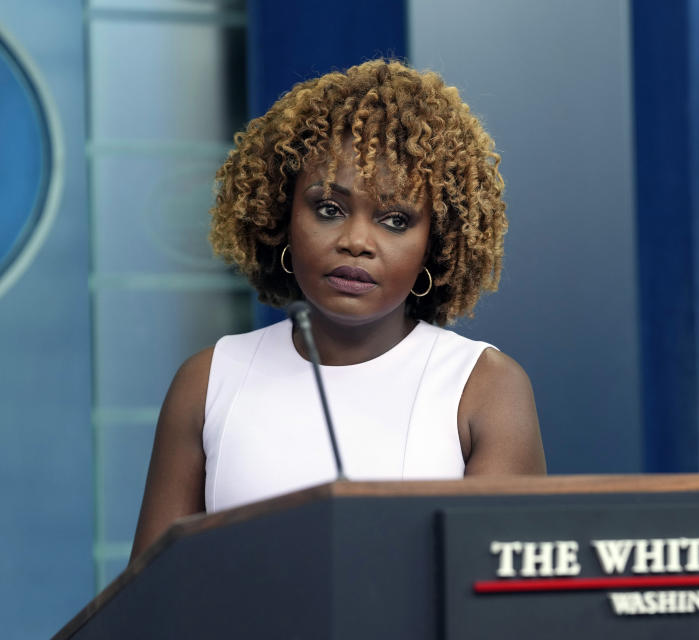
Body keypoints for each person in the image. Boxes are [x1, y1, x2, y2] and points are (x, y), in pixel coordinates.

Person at [130, 59, 546, 560]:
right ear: (281, 216)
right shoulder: (210, 380)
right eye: (328, 209)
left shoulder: (484, 388)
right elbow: (150, 604)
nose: (355, 241)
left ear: (432, 248)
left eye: (395, 220)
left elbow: (496, 601)